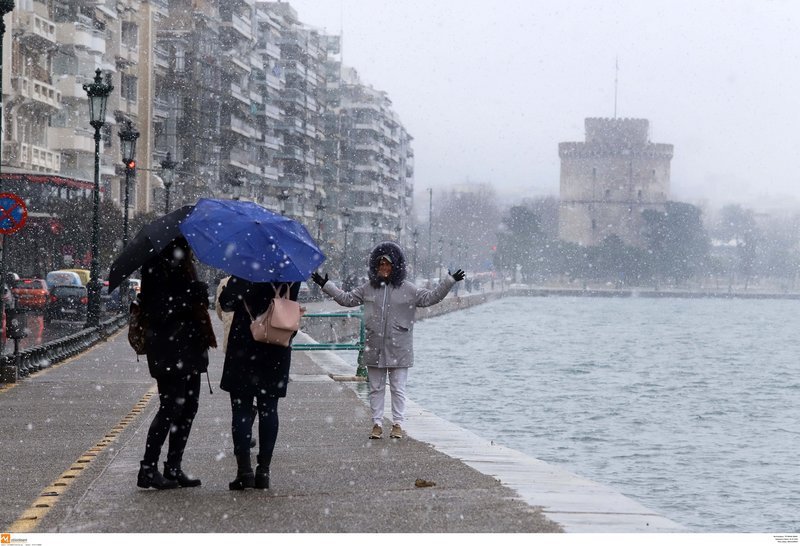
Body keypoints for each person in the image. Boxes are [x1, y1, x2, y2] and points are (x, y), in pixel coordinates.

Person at [311, 241, 465, 440]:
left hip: (399, 348)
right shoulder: (368, 288)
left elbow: (431, 298)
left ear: (396, 266)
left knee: (398, 388)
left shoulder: (409, 290)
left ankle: (398, 424)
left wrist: (449, 281)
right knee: (375, 388)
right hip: (374, 347)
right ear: (375, 266)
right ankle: (376, 423)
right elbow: (347, 299)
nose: (384, 268)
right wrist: (326, 285)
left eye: (388, 264)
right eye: (381, 264)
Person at [137, 236, 217, 490]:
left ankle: (173, 467)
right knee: (170, 406)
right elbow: (155, 309)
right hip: (168, 347)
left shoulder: (186, 263)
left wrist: (198, 295)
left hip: (191, 347)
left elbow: (189, 304)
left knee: (189, 406)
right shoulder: (156, 263)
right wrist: (187, 296)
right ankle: (148, 468)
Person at [218, 277, 301, 490]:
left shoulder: (248, 267)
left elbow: (227, 303)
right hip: (276, 345)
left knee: (242, 409)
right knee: (269, 409)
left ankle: (244, 471)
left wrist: (230, 288)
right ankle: (263, 471)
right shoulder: (289, 269)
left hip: (244, 344)